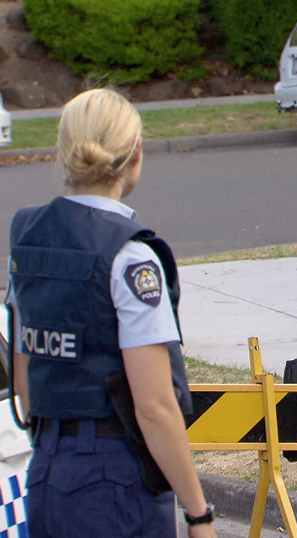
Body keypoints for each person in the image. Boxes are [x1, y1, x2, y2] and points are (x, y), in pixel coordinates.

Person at [5, 88, 217, 538]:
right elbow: (154, 407)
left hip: (47, 472)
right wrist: (199, 514)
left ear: (63, 151)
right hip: (114, 478)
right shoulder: (130, 255)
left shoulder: (26, 235)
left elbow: (24, 383)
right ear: (136, 153)